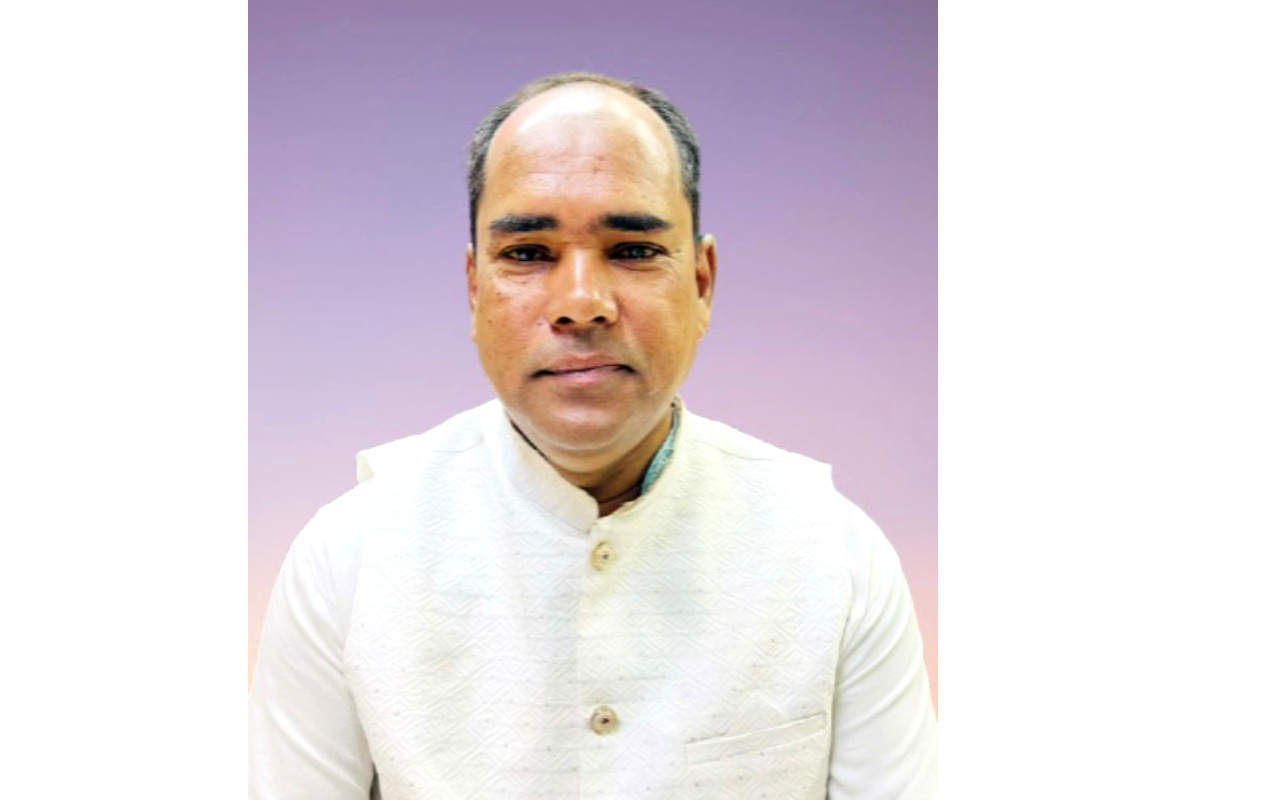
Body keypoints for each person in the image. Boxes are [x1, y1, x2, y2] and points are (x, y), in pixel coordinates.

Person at [249, 72, 937, 799]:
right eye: (528, 253)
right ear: (474, 287)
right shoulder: (351, 557)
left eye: (633, 249)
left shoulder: (831, 554)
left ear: (702, 282)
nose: (581, 303)